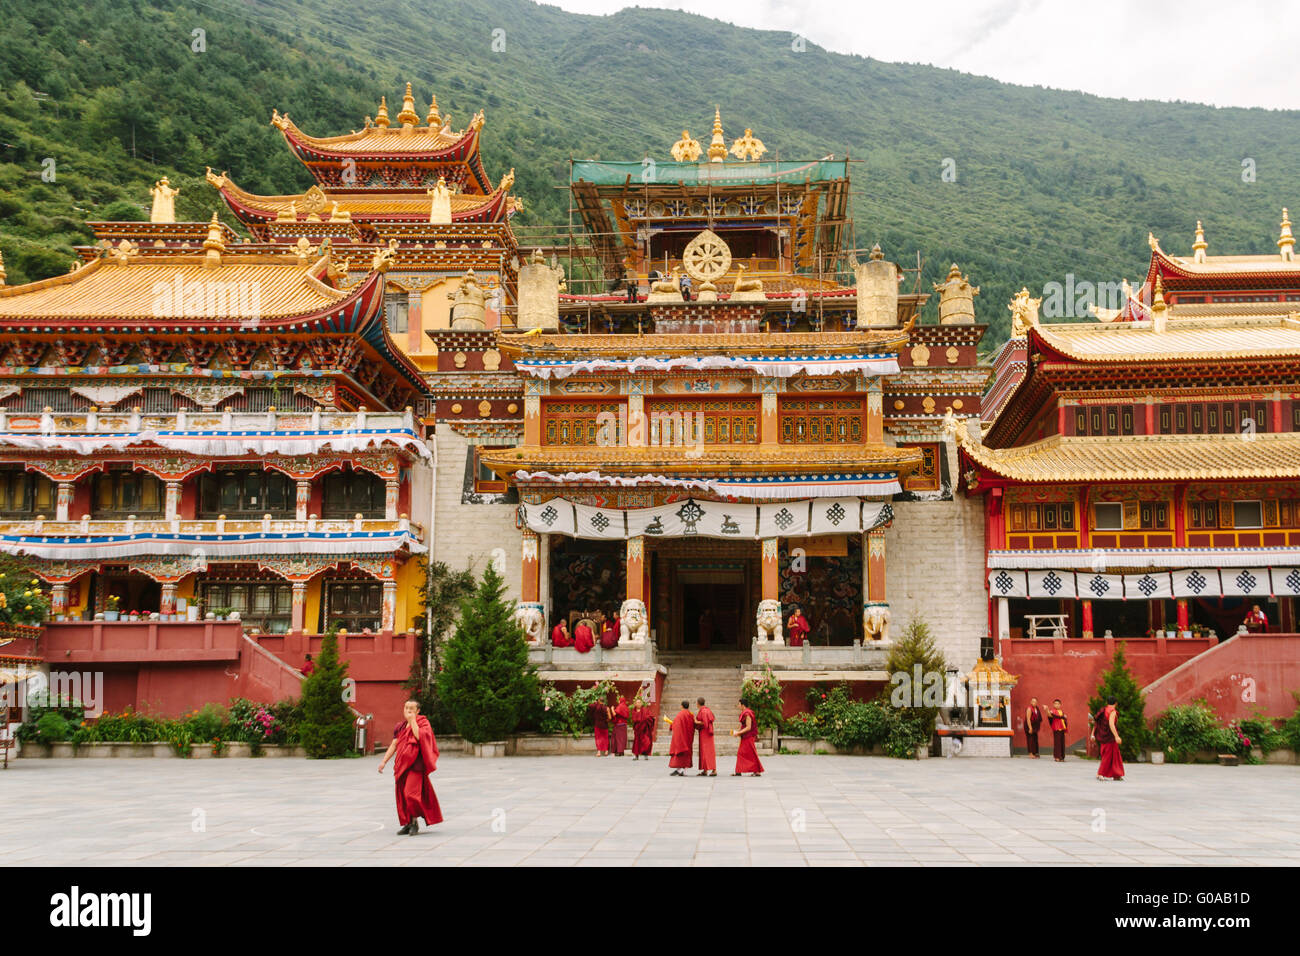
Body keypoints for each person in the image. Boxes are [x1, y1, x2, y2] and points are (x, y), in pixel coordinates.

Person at [377, 699, 443, 835]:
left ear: (418, 711)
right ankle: (408, 823)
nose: (408, 711)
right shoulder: (400, 727)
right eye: (406, 708)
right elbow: (394, 744)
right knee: (402, 795)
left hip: (415, 766)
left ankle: (414, 822)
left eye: (411, 708)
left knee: (411, 794)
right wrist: (384, 761)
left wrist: (413, 720)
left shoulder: (423, 723)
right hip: (401, 766)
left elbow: (420, 737)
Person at [1091, 695, 1125, 781]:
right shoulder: (1112, 711)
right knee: (1108, 756)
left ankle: (1116, 774)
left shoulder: (1103, 710)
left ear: (1107, 702)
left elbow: (1096, 723)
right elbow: (1111, 724)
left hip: (1103, 736)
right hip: (1110, 737)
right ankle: (1100, 773)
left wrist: (1093, 734)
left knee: (1113, 755)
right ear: (1116, 703)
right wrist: (1116, 736)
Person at [731, 698, 763, 776]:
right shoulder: (744, 712)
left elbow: (748, 727)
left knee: (751, 753)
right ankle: (739, 771)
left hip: (749, 737)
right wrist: (738, 732)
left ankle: (757, 771)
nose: (738, 706)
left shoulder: (748, 713)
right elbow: (743, 725)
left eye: (739, 704)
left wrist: (739, 732)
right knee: (741, 753)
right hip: (745, 736)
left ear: (743, 705)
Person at [665, 700, 694, 776]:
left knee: (680, 754)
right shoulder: (690, 714)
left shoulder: (680, 714)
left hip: (681, 737)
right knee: (686, 754)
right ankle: (683, 771)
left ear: (681, 706)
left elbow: (676, 724)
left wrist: (671, 725)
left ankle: (680, 770)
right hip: (688, 737)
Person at [695, 696, 716, 776]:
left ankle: (714, 770)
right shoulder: (707, 710)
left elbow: (705, 723)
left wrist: (696, 722)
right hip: (707, 733)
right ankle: (705, 770)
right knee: (705, 751)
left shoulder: (703, 711)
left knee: (707, 751)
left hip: (705, 733)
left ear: (698, 703)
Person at [631, 696, 655, 760]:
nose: (638, 704)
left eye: (639, 702)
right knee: (637, 743)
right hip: (638, 730)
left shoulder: (645, 710)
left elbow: (650, 717)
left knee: (646, 742)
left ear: (641, 704)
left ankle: (645, 754)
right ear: (635, 704)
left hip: (645, 730)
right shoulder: (634, 711)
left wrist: (647, 718)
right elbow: (634, 719)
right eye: (637, 703)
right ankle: (636, 755)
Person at [589, 691, 609, 756]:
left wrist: (595, 703)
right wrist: (607, 720)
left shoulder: (595, 706)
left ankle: (599, 752)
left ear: (598, 700)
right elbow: (610, 717)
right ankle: (606, 751)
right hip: (605, 725)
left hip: (597, 724)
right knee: (605, 738)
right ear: (604, 701)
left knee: (598, 738)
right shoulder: (606, 708)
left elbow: (590, 706)